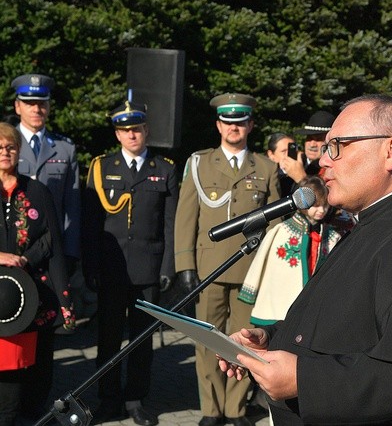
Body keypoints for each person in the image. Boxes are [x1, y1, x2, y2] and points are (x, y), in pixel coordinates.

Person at [218, 94, 392, 425]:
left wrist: (302, 378)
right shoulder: (379, 221)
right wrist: (272, 341)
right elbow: (353, 325)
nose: (324, 161)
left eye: (338, 145)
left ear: (391, 152)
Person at [174, 93, 280, 426]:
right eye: (228, 122)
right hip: (209, 270)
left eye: (240, 122)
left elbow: (276, 224)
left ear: (250, 125)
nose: (234, 128)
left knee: (245, 342)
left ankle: (235, 408)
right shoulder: (199, 163)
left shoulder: (266, 167)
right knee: (207, 341)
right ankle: (211, 409)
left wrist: (274, 270)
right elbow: (186, 218)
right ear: (219, 125)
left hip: (251, 271)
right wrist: (185, 266)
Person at [82, 100, 178, 426]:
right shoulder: (100, 167)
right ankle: (108, 399)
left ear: (146, 130)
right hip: (111, 268)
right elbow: (91, 223)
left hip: (148, 269)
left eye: (136, 129)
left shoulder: (164, 169)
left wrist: (168, 267)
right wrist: (90, 266)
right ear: (117, 134)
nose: (131, 135)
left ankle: (136, 399)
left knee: (142, 338)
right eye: (125, 130)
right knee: (108, 337)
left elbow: (169, 224)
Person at [0, 122, 73, 423]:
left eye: (10, 146)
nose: (4, 152)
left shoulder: (37, 192)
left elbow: (53, 246)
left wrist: (65, 301)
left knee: (24, 380)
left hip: (28, 301)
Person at [239, 175, 340, 326]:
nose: (322, 210)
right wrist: (250, 289)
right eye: (316, 205)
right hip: (277, 303)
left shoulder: (331, 236)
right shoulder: (282, 231)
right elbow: (261, 260)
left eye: (325, 206)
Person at [11, 74, 81, 276]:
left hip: (53, 248)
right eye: (29, 103)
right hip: (13, 247)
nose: (36, 110)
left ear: (49, 107)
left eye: (42, 104)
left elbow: (72, 206)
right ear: (17, 107)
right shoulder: (5, 146)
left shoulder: (64, 148)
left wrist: (71, 252)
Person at [292, 110, 334, 176]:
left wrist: (300, 178)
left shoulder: (332, 168)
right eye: (309, 138)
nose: (312, 145)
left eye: (319, 139)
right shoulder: (299, 161)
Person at [266, 133, 303, 197]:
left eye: (292, 150)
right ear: (271, 155)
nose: (288, 155)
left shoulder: (306, 172)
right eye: (284, 151)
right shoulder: (266, 176)